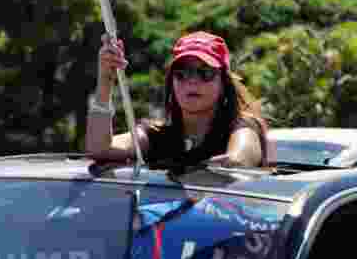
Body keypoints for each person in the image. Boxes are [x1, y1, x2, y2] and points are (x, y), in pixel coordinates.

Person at [86, 30, 271, 168]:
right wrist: (106, 80)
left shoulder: (242, 127)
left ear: (224, 83)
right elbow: (99, 149)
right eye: (182, 73)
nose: (192, 81)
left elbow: (239, 161)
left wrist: (231, 163)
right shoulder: (156, 135)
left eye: (205, 73)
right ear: (171, 82)